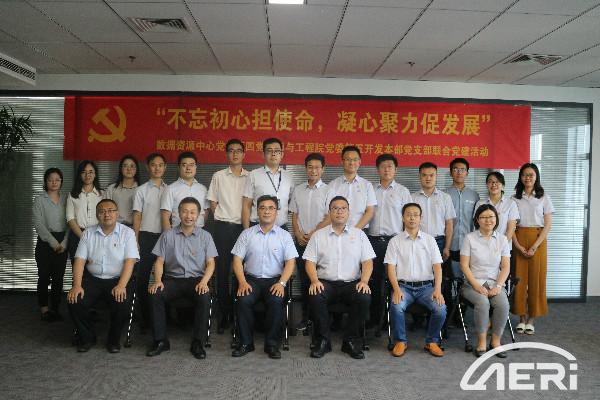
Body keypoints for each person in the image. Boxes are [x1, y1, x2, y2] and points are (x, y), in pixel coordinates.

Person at [146, 197, 218, 359]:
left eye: (192, 212)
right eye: (185, 211)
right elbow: (159, 261)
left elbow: (211, 263)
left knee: (205, 296)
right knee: (155, 294)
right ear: (178, 213)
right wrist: (158, 281)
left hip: (197, 280)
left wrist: (204, 282)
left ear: (198, 215)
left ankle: (198, 342)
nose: (188, 215)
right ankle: (160, 341)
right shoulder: (167, 235)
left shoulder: (205, 236)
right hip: (172, 280)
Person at [304, 196, 374, 360]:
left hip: (351, 284)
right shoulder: (318, 236)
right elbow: (309, 262)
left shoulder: (359, 235)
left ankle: (350, 341)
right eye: (335, 208)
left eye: (343, 208)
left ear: (349, 212)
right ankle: (323, 341)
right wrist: (314, 281)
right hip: (325, 283)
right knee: (315, 294)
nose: (339, 211)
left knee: (363, 296)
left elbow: (368, 262)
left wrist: (364, 281)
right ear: (329, 212)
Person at [67, 199, 139, 353]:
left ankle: (113, 340)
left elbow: (130, 261)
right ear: (97, 215)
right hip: (93, 280)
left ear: (117, 214)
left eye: (111, 210)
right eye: (102, 211)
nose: (107, 214)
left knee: (122, 302)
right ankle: (87, 337)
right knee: (75, 299)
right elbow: (79, 261)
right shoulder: (88, 233)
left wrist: (121, 285)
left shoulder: (128, 233)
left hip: (118, 280)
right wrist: (77, 285)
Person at [231, 195, 297, 359]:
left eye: (271, 208)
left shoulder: (284, 235)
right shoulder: (247, 234)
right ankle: (246, 343)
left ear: (276, 212)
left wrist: (282, 283)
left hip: (275, 280)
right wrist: (242, 282)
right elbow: (237, 260)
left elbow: (290, 262)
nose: (267, 211)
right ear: (257, 211)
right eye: (263, 208)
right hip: (251, 280)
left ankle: (272, 344)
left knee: (276, 300)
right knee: (243, 300)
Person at [385, 202, 446, 358]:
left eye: (415, 215)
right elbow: (391, 268)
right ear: (403, 218)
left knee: (440, 308)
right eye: (408, 215)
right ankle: (400, 341)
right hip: (403, 287)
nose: (412, 218)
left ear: (421, 218)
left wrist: (437, 290)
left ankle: (432, 341)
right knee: (396, 306)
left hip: (426, 288)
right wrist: (396, 290)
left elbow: (437, 267)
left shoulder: (430, 240)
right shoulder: (395, 241)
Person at [207, 139, 249, 334]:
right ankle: (224, 313)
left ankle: (239, 312)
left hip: (243, 228)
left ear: (244, 154)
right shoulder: (218, 176)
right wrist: (222, 216)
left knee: (241, 270)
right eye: (231, 151)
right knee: (222, 271)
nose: (235, 154)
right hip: (222, 227)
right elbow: (212, 202)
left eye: (238, 151)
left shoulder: (250, 177)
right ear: (226, 154)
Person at [367, 154, 411, 331]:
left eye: (390, 166)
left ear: (396, 169)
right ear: (377, 169)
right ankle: (374, 319)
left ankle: (393, 319)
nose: (386, 169)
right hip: (373, 241)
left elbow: (409, 218)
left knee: (395, 281)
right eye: (383, 166)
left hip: (395, 242)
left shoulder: (403, 191)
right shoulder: (370, 189)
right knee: (374, 281)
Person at [460, 204, 511, 358]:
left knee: (503, 304)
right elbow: (464, 265)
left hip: (495, 283)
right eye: (483, 217)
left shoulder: (502, 239)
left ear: (496, 219)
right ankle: (481, 342)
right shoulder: (469, 238)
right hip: (472, 284)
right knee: (483, 303)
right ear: (477, 220)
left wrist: (499, 286)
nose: (488, 220)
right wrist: (476, 285)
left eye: (491, 217)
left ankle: (495, 342)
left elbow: (505, 267)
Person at [511, 163, 554, 335]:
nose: (527, 178)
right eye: (524, 175)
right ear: (520, 177)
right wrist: (517, 245)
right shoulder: (514, 198)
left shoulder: (544, 197)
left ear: (536, 177)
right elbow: (511, 224)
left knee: (536, 280)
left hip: (538, 240)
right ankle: (521, 318)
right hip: (519, 238)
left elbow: (548, 224)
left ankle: (531, 319)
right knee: (519, 279)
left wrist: (535, 245)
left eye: (531, 175)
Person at [290, 152, 330, 331]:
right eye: (310, 167)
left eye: (317, 167)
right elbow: (294, 214)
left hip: (321, 242)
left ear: (323, 169)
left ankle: (320, 319)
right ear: (305, 168)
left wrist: (313, 233)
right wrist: (298, 233)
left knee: (321, 279)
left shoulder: (329, 190)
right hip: (301, 242)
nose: (314, 171)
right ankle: (306, 318)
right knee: (305, 280)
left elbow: (330, 217)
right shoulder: (298, 189)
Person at [132, 153, 168, 332]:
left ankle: (163, 317)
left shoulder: (169, 189)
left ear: (165, 168)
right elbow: (137, 216)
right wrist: (136, 239)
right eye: (153, 165)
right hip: (145, 237)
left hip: (165, 237)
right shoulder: (141, 190)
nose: (157, 168)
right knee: (143, 278)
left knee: (165, 277)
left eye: (160, 165)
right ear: (148, 167)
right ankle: (145, 318)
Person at [33, 167, 69, 322]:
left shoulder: (67, 199)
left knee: (58, 278)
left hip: (63, 241)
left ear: (61, 181)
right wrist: (54, 243)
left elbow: (71, 222)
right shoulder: (39, 200)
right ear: (45, 182)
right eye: (50, 180)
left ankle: (55, 308)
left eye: (57, 180)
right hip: (45, 242)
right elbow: (38, 224)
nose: (54, 182)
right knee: (43, 277)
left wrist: (65, 243)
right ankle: (44, 309)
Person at [242, 137, 294, 230]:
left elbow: (291, 201)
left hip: (281, 228)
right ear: (263, 154)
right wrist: (247, 231)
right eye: (269, 151)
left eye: (277, 151)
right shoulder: (253, 175)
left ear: (282, 154)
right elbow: (246, 205)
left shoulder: (289, 177)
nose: (273, 154)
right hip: (257, 226)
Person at [411, 162, 456, 260]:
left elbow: (449, 225)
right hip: (417, 240)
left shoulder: (445, 198)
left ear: (436, 176)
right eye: (424, 175)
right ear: (419, 177)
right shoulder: (412, 198)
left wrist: (447, 247)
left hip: (439, 242)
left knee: (437, 269)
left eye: (431, 175)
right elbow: (406, 223)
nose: (428, 178)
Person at [325, 145, 376, 230]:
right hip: (337, 230)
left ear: (359, 162)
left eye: (355, 159)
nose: (351, 163)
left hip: (361, 231)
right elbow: (329, 211)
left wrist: (355, 231)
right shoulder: (333, 185)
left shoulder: (367, 185)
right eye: (348, 159)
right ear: (342, 162)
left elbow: (370, 211)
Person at [444, 158, 480, 275]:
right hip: (448, 243)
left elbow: (478, 221)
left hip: (469, 243)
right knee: (448, 277)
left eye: (462, 170)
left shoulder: (474, 195)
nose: (459, 172)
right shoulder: (443, 194)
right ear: (450, 173)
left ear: (467, 173)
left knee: (467, 277)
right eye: (455, 169)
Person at [66, 160, 103, 265]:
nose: (87, 175)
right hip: (77, 236)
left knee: (95, 268)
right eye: (84, 172)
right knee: (78, 270)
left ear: (95, 174)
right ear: (79, 175)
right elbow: (70, 218)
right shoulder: (72, 195)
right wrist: (83, 237)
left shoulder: (102, 194)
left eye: (91, 172)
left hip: (98, 235)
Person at [161, 151, 209, 230]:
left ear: (196, 167)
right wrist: (169, 236)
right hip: (177, 232)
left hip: (199, 232)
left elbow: (206, 211)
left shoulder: (203, 189)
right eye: (184, 165)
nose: (188, 168)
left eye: (191, 165)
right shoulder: (170, 189)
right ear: (178, 167)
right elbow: (165, 216)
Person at [474, 171, 519, 243]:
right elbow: (477, 226)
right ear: (487, 185)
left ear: (503, 185)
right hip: (483, 244)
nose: (494, 184)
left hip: (504, 245)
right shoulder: (480, 203)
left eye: (497, 182)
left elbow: (511, 229)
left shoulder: (511, 204)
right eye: (490, 182)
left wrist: (502, 246)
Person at [104, 154, 140, 227]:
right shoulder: (111, 189)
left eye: (132, 166)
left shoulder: (141, 190)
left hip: (134, 228)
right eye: (125, 166)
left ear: (136, 169)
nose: (129, 169)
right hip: (114, 227)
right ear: (121, 169)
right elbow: (104, 210)